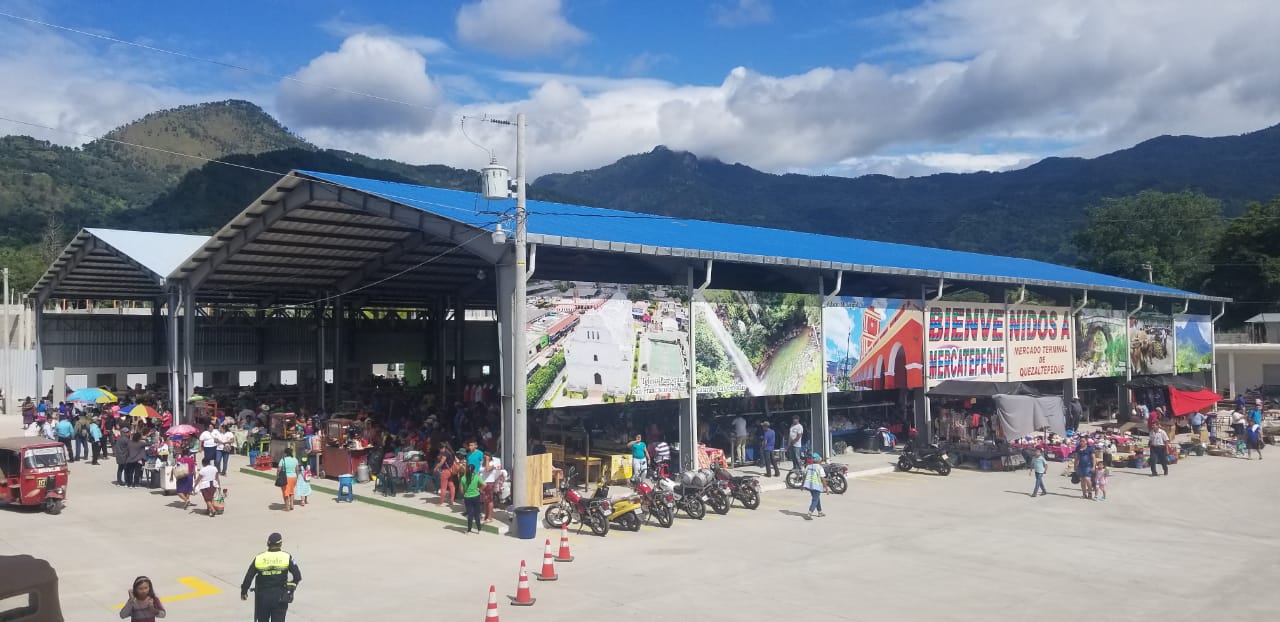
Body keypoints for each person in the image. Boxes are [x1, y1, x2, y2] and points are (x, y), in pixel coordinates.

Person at [241, 532, 302, 622]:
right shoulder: (286, 557)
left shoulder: (259, 558)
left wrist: (244, 591)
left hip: (263, 597)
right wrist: (291, 586)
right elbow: (297, 576)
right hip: (280, 597)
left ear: (268, 544)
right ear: (280, 544)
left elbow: (249, 576)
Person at [803, 452, 828, 519]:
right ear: (818, 460)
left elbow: (804, 476)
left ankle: (820, 512)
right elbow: (823, 479)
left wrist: (803, 485)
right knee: (815, 499)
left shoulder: (808, 466)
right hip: (816, 486)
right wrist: (826, 488)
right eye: (820, 459)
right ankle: (809, 513)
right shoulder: (820, 468)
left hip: (809, 486)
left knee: (816, 498)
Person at [461, 462, 483, 533]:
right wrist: (479, 489)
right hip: (476, 496)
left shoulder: (463, 478)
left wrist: (465, 493)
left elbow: (461, 490)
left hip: (467, 497)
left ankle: (469, 530)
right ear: (473, 470)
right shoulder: (476, 477)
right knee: (477, 514)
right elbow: (484, 484)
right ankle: (479, 529)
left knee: (470, 514)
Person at [481, 453, 503, 522]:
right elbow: (480, 470)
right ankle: (486, 515)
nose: (484, 457)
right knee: (485, 500)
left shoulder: (494, 463)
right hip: (483, 482)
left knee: (489, 500)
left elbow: (487, 469)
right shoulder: (482, 462)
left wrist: (487, 460)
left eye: (486, 456)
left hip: (490, 483)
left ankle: (490, 517)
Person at [434, 441, 457, 506]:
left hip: (445, 471)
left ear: (442, 448)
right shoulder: (451, 452)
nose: (440, 450)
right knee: (451, 485)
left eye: (440, 449)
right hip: (451, 470)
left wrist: (436, 467)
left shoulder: (445, 453)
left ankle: (441, 502)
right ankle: (452, 500)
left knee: (443, 487)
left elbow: (441, 462)